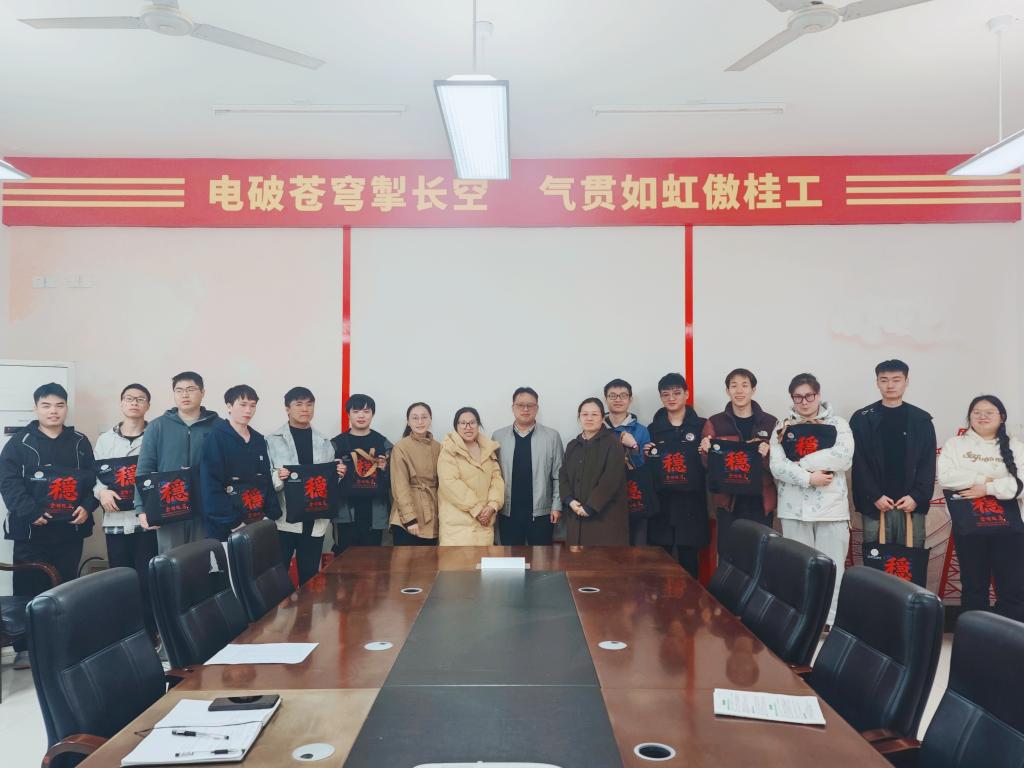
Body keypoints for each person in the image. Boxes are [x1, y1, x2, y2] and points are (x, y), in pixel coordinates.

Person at [0, 383, 97, 669]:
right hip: (31, 531)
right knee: (28, 588)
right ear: (36, 408)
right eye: (46, 405)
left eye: (59, 405)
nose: (53, 411)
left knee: (66, 587)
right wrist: (30, 512)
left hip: (69, 530)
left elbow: (93, 480)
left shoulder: (79, 441)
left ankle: (63, 646)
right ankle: (26, 648)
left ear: (66, 408)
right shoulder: (20, 443)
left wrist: (87, 506)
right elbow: (8, 482)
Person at [769, 372, 854, 629]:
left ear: (818, 395)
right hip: (793, 509)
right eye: (798, 397)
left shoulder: (838, 424)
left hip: (832, 509)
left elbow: (842, 457)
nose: (804, 402)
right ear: (792, 398)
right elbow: (777, 466)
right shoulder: (782, 426)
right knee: (798, 567)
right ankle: (801, 620)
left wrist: (801, 463)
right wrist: (808, 478)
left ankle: (829, 621)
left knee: (832, 568)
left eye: (809, 396)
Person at [937, 395, 1024, 621]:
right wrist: (987, 478)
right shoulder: (955, 444)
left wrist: (986, 488)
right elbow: (946, 477)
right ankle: (975, 634)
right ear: (970, 417)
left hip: (1010, 527)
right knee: (973, 585)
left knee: (1012, 586)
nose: (982, 416)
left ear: (1001, 417)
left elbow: (1021, 485)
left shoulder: (1016, 447)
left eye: (989, 412)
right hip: (969, 525)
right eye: (977, 412)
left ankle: (1012, 634)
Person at [850, 359, 936, 552]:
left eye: (896, 380)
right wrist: (874, 495)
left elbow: (928, 463)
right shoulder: (862, 418)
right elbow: (858, 462)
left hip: (911, 502)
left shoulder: (921, 419)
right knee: (876, 557)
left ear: (906, 381)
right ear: (877, 382)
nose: (890, 385)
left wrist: (916, 496)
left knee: (910, 557)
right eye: (884, 380)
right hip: (876, 502)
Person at [93, 383, 157, 641]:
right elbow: (93, 476)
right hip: (115, 522)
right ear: (121, 403)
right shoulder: (105, 440)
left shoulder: (155, 436)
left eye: (140, 399)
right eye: (129, 398)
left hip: (146, 522)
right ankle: (125, 635)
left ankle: (150, 633)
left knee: (148, 579)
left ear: (148, 405)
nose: (134, 403)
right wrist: (101, 492)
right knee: (119, 580)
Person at [134, 371, 220, 552]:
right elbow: (144, 470)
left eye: (191, 389)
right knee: (170, 561)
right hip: (168, 507)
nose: (184, 395)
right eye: (179, 390)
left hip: (206, 508)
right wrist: (141, 508)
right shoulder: (157, 426)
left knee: (203, 560)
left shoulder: (218, 426)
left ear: (203, 392)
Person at [267, 387, 343, 584]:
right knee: (277, 577)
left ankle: (306, 607)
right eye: (298, 404)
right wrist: (278, 476)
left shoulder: (324, 441)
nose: (305, 409)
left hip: (315, 519)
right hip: (284, 520)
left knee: (310, 578)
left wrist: (338, 474)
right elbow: (265, 480)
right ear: (287, 408)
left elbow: (328, 482)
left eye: (309, 404)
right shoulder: (272, 441)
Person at [699, 368, 777, 555]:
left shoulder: (771, 422)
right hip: (729, 501)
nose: (739, 391)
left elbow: (780, 466)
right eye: (734, 386)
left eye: (744, 385)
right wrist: (706, 452)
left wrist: (767, 455)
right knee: (729, 555)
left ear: (753, 390)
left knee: (761, 556)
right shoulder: (715, 422)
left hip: (761, 500)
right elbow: (706, 465)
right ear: (727, 391)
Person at [645, 373, 707, 578]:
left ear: (686, 394)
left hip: (691, 505)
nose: (671, 398)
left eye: (677, 393)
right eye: (666, 394)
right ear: (661, 398)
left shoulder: (702, 426)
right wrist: (647, 454)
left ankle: (691, 601)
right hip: (661, 504)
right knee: (659, 565)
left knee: (689, 563)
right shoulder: (653, 429)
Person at [200, 385, 281, 542]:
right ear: (229, 406)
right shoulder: (215, 438)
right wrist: (234, 523)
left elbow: (266, 479)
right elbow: (210, 484)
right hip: (226, 524)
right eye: (243, 405)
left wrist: (270, 514)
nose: (248, 410)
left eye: (252, 405)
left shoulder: (258, 439)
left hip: (257, 519)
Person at [492, 387, 564, 546]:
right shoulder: (498, 437)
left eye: (530, 405)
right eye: (520, 405)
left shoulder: (552, 437)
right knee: (510, 558)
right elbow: (492, 476)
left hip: (541, 513)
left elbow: (559, 475)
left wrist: (556, 505)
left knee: (541, 559)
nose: (525, 409)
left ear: (537, 408)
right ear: (513, 408)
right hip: (508, 513)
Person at [560, 398, 628, 547]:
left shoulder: (613, 443)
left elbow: (611, 480)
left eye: (594, 414)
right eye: (584, 414)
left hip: (604, 518)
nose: (589, 418)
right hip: (575, 515)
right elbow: (563, 475)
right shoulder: (573, 445)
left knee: (600, 560)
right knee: (576, 559)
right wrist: (569, 500)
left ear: (602, 418)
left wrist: (591, 506)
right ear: (579, 418)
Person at [331, 394, 392, 554]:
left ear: (372, 414)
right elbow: (325, 481)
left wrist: (385, 468)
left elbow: (395, 480)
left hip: (375, 512)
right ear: (348, 414)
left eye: (366, 411)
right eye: (356, 411)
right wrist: (336, 474)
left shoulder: (383, 443)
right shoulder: (336, 444)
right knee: (344, 559)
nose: (361, 415)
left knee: (374, 560)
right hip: (345, 512)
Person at [437, 407, 504, 546]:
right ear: (456, 426)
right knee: (459, 561)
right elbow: (450, 484)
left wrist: (492, 506)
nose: (468, 427)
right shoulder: (448, 450)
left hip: (484, 523)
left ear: (478, 425)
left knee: (482, 560)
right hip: (457, 528)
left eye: (472, 422)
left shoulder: (488, 449)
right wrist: (478, 510)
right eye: (463, 423)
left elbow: (496, 480)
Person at [603, 378, 652, 544]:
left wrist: (634, 447)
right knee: (608, 550)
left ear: (630, 399)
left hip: (635, 499)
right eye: (613, 395)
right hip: (605, 500)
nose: (618, 399)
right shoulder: (597, 428)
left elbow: (645, 468)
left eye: (623, 395)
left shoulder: (641, 430)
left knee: (637, 549)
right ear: (605, 399)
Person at [389, 402, 442, 546]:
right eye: (415, 418)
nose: (420, 422)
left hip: (432, 514)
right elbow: (399, 485)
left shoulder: (439, 447)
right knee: (405, 559)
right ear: (408, 421)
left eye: (424, 417)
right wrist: (410, 518)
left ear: (430, 419)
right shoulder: (401, 447)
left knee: (429, 559)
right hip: (407, 518)